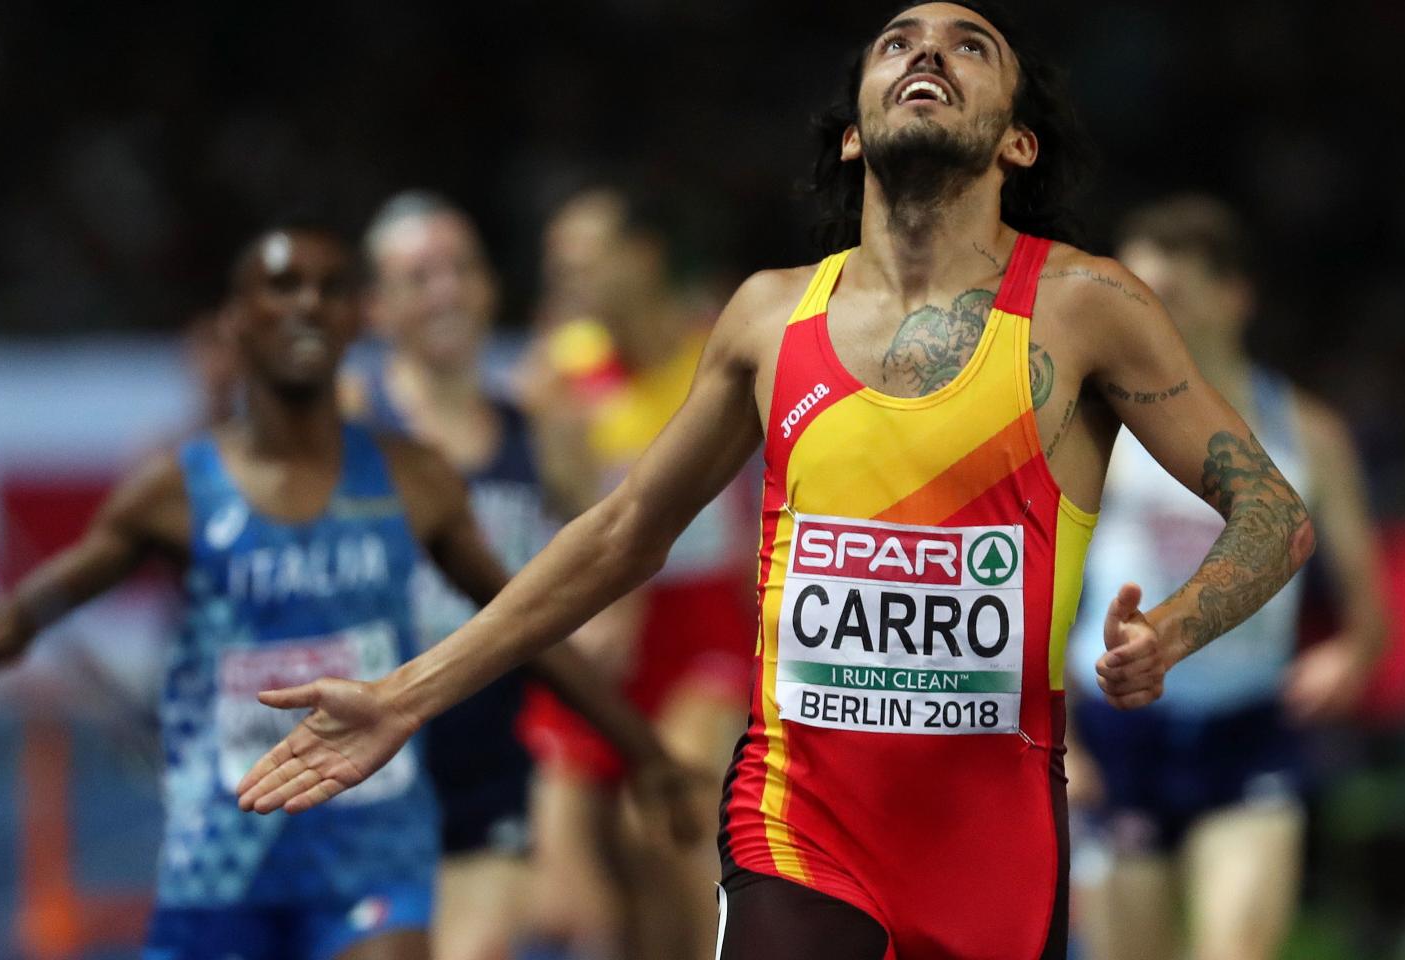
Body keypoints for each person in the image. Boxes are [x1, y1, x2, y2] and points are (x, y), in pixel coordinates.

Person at [237, 4, 1315, 957]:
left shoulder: (1085, 307)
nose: (924, 55)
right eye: (895, 43)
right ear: (854, 130)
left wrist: (1170, 630)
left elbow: (1271, 513)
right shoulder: (767, 316)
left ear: (1017, 140)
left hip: (991, 853)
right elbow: (619, 533)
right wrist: (400, 696)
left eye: (967, 46)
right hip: (794, 836)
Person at [0, 221, 697, 960]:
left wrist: (647, 753)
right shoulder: (179, 489)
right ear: (235, 321)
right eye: (282, 285)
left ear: (356, 318)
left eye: (330, 288)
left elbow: (523, 626)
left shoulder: (413, 479)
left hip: (373, 850)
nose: (306, 304)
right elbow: (18, 619)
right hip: (223, 859)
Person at [1065, 195, 1388, 960]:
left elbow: (1371, 608)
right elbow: (1034, 589)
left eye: (1169, 294)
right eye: (1136, 295)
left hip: (1247, 732)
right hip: (1118, 740)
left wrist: (1353, 653)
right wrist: (1064, 741)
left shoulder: (1306, 433)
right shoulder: (1091, 423)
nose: (1148, 313)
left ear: (1234, 296)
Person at [516, 185, 757, 960]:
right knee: (585, 893)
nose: (566, 277)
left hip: (703, 626)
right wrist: (559, 439)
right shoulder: (559, 374)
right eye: (558, 264)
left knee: (664, 816)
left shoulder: (721, 346)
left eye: (584, 258)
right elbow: (570, 517)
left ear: (643, 257)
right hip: (609, 628)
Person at [343, 191, 572, 960]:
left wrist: (605, 625)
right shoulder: (345, 424)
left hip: (492, 768)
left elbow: (609, 547)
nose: (444, 290)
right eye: (418, 276)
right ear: (376, 308)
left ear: (487, 286)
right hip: (367, 779)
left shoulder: (535, 423)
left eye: (458, 269)